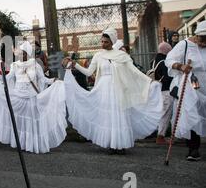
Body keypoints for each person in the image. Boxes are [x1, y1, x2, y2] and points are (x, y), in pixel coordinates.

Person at [63, 28, 163, 155]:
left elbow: (134, 71)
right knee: (108, 117)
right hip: (103, 90)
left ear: (112, 42)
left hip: (118, 89)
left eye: (106, 42)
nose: (103, 44)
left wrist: (149, 81)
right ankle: (111, 143)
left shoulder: (121, 56)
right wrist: (75, 65)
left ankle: (120, 145)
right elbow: (89, 72)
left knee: (119, 115)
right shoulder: (98, 56)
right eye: (102, 41)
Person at [0, 41, 67, 154]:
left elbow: (43, 79)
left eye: (23, 53)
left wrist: (53, 81)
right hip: (18, 97)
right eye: (20, 52)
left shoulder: (35, 65)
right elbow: (8, 78)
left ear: (28, 54)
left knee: (31, 122)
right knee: (19, 121)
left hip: (31, 98)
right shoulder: (15, 65)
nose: (20, 55)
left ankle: (32, 144)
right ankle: (22, 143)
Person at [165, 21, 206, 161]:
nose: (204, 42)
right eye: (202, 38)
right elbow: (168, 60)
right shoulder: (185, 45)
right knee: (192, 113)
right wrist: (180, 66)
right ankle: (193, 148)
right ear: (197, 35)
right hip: (190, 83)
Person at [151, 42, 173, 145]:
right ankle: (160, 136)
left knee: (161, 112)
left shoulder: (154, 61)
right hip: (166, 90)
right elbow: (168, 77)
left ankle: (160, 135)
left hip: (158, 90)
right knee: (165, 113)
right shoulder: (165, 62)